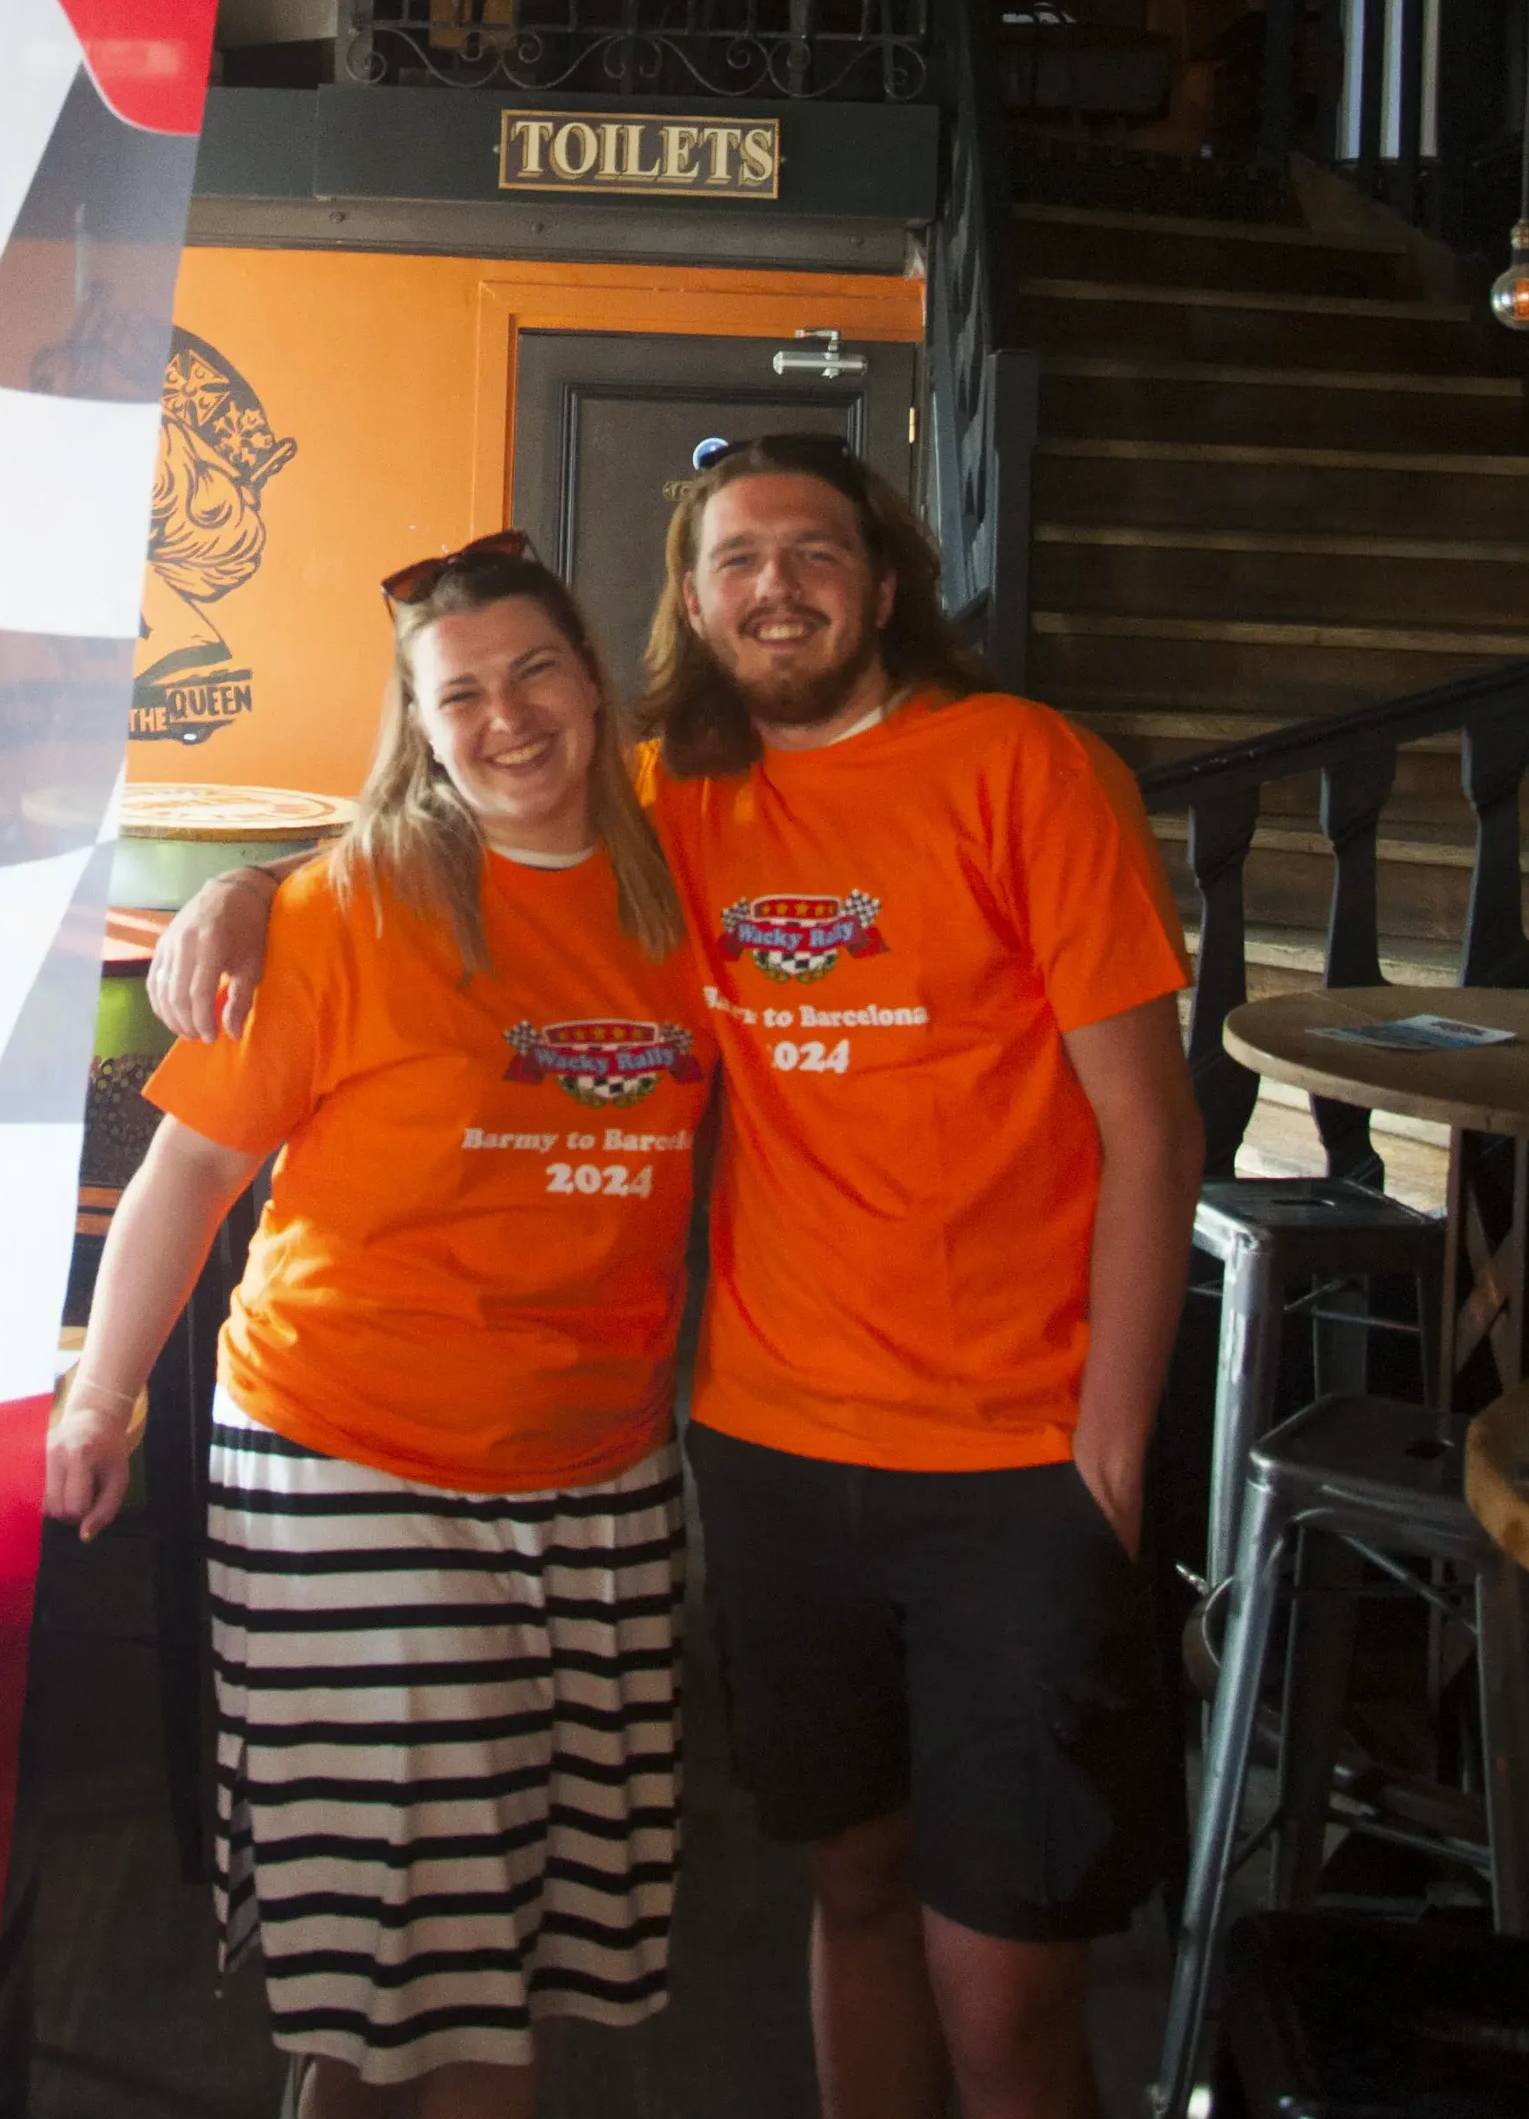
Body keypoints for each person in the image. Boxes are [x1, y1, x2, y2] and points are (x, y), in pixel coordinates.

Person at [153, 441, 1203, 2119]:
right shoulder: (682, 807)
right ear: (692, 602)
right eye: (732, 560)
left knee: (1007, 1982)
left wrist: (1119, 1444)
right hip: (773, 1459)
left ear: (883, 575)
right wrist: (252, 888)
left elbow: (1153, 1131)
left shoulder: (1026, 767)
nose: (772, 586)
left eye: (810, 551)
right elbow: (476, 804)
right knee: (848, 1897)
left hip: (1017, 1458)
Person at [48, 537, 704, 2119]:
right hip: (357, 1459)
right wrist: (99, 1399)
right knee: (458, 1981)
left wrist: (245, 874)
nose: (509, 717)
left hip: (599, 1472)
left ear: (597, 683)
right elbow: (191, 1168)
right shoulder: (348, 913)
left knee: (450, 1951)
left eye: (537, 670)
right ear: (420, 729)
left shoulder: (688, 869)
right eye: (460, 694)